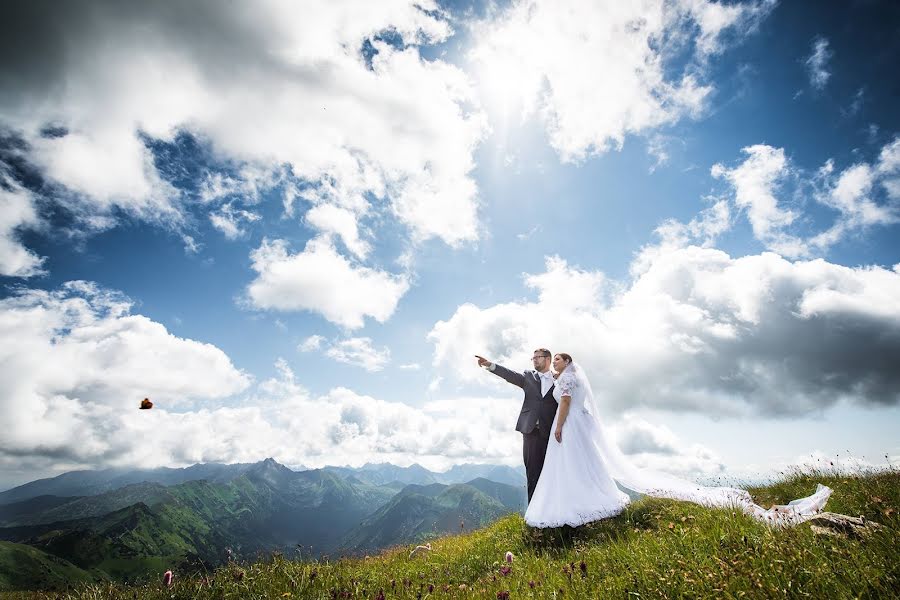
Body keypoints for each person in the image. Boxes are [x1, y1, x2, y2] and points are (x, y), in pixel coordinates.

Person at [523, 353, 833, 529]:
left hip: (571, 424)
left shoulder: (566, 378)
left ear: (566, 363)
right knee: (582, 463)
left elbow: (564, 404)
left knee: (577, 462)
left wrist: (560, 426)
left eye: (558, 360)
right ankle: (586, 495)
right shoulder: (563, 376)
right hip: (579, 424)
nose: (554, 364)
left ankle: (581, 499)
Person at [476, 349, 558, 504]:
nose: (534, 360)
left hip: (551, 433)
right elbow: (510, 375)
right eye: (532, 358)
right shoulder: (528, 376)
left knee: (552, 471)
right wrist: (490, 365)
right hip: (530, 431)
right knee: (532, 473)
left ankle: (551, 509)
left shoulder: (559, 379)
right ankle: (534, 512)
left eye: (537, 357)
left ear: (548, 359)